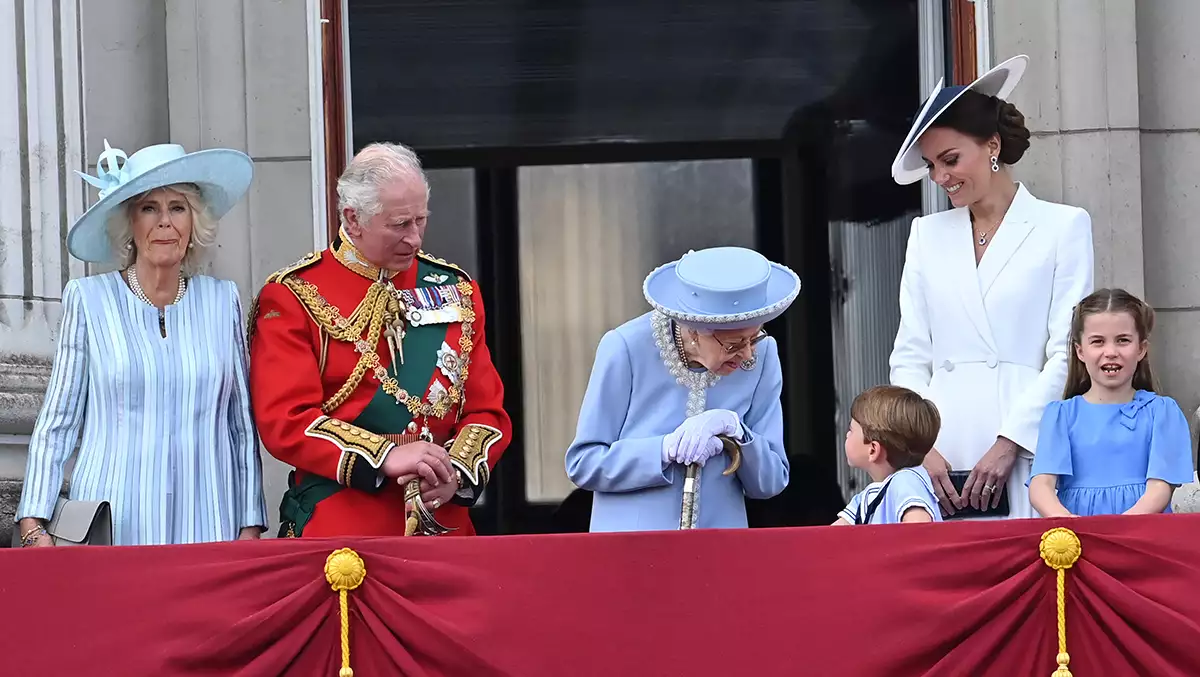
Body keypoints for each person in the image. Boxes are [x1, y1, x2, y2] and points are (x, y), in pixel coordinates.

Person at [249, 142, 511, 538]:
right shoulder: (294, 295)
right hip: (342, 522)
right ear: (353, 219)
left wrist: (454, 473)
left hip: (443, 522)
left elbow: (487, 413)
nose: (416, 238)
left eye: (421, 221)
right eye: (400, 224)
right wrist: (386, 456)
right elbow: (285, 421)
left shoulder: (456, 289)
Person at [15, 140, 267, 547]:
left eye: (177, 207)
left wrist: (250, 523)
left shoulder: (223, 301)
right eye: (149, 207)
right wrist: (33, 524)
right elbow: (58, 421)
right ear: (129, 221)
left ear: (194, 221)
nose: (164, 222)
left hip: (208, 523)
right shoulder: (89, 299)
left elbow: (240, 424)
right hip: (115, 524)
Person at [888, 55, 1095, 519]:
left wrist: (1012, 441)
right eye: (931, 165)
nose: (941, 178)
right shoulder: (926, 234)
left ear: (993, 145)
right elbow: (910, 355)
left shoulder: (1062, 226)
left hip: (1026, 444)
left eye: (951, 159)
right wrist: (921, 447)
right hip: (940, 452)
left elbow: (1067, 350)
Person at [565, 247, 796, 531]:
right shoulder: (625, 348)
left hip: (719, 554)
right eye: (734, 344)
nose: (748, 355)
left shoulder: (764, 356)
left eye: (754, 337)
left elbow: (771, 481)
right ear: (693, 331)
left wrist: (738, 432)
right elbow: (583, 464)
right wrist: (663, 450)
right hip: (633, 553)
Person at [1029, 289, 1194, 517]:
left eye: (1123, 340)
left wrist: (1115, 531)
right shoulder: (1061, 415)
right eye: (1097, 342)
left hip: (1141, 535)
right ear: (1080, 351)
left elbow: (1160, 488)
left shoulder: (1162, 413)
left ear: (1141, 349)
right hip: (1077, 539)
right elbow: (1041, 485)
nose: (1111, 352)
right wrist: (1068, 522)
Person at [833, 386, 942, 526]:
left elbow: (918, 527)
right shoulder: (865, 498)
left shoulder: (906, 481)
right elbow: (832, 534)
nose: (847, 434)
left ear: (873, 450)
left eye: (851, 430)